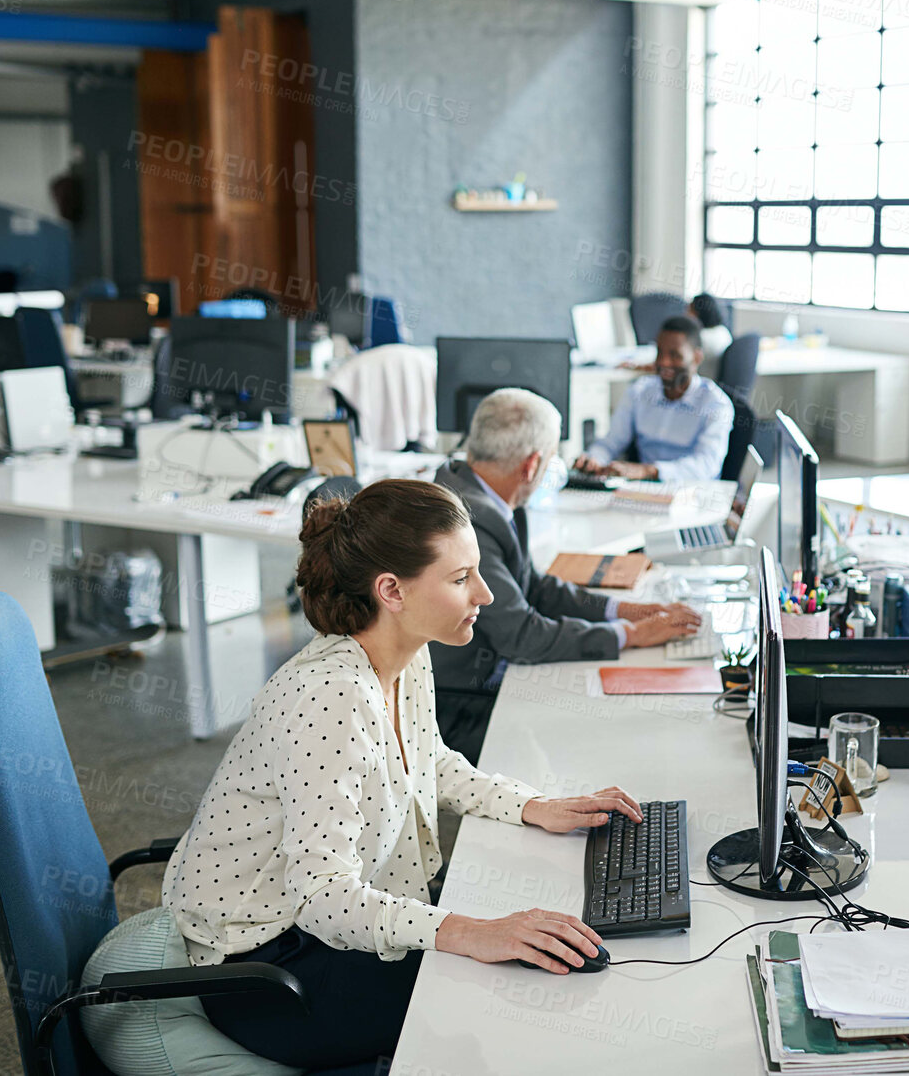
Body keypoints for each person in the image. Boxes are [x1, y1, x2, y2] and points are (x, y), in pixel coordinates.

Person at [162, 478, 648, 1070]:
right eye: (460, 577)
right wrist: (471, 931)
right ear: (391, 590)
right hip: (267, 968)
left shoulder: (407, 652)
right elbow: (322, 898)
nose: (487, 595)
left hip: (329, 927)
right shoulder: (330, 700)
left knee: (534, 946)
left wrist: (532, 804)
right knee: (513, 1000)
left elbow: (427, 759)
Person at [433, 388, 700, 756]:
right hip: (464, 704)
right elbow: (522, 635)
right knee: (601, 734)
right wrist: (631, 635)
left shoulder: (485, 493)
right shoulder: (469, 520)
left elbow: (534, 587)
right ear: (531, 466)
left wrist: (622, 611)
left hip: (495, 678)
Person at [574, 315, 735, 481]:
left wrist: (650, 471)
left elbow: (706, 465)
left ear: (697, 358)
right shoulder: (640, 391)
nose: (664, 362)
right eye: (660, 353)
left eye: (675, 355)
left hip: (693, 493)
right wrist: (594, 458)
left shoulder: (716, 404)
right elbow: (611, 442)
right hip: (644, 491)